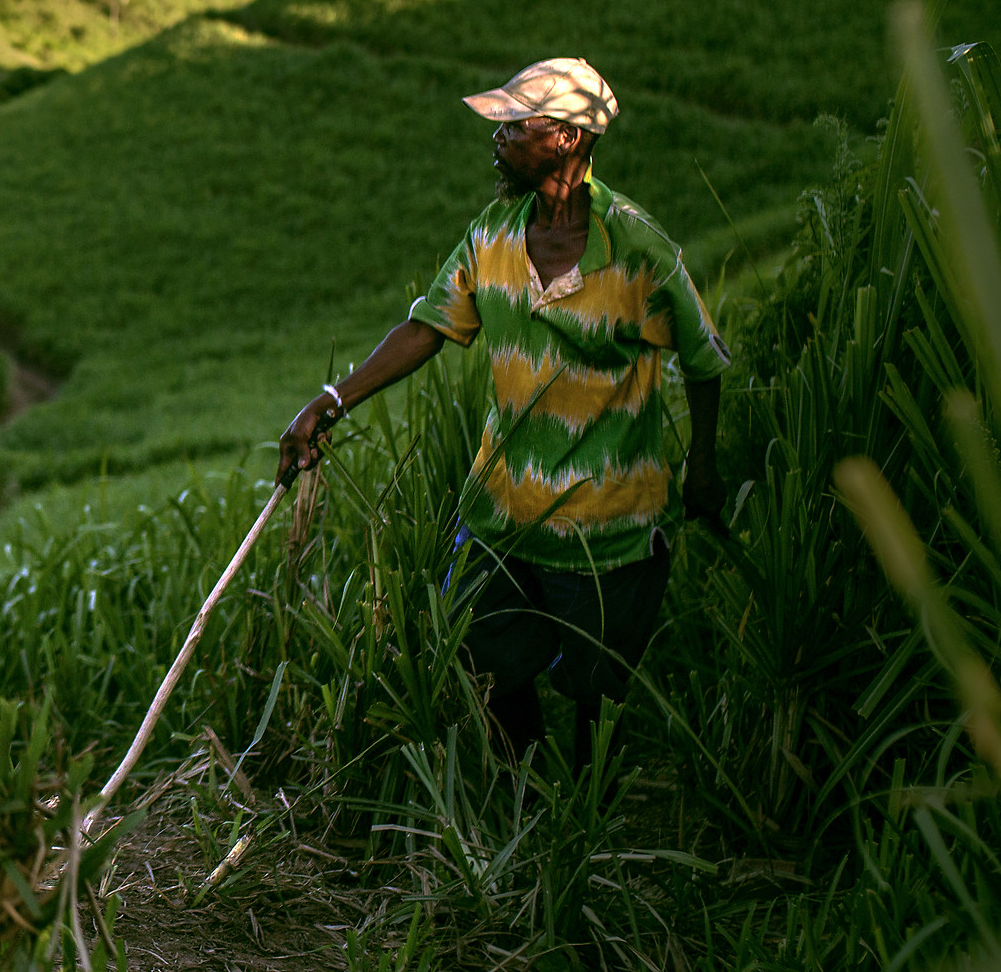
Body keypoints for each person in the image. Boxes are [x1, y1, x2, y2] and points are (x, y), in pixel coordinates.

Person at [275, 57, 728, 765]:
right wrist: (331, 401)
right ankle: (522, 790)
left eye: (518, 124)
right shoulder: (492, 236)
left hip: (606, 523)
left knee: (596, 695)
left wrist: (703, 465)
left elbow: (702, 358)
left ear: (569, 139)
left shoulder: (638, 246)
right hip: (502, 512)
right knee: (481, 658)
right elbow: (427, 326)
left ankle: (581, 827)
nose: (500, 137)